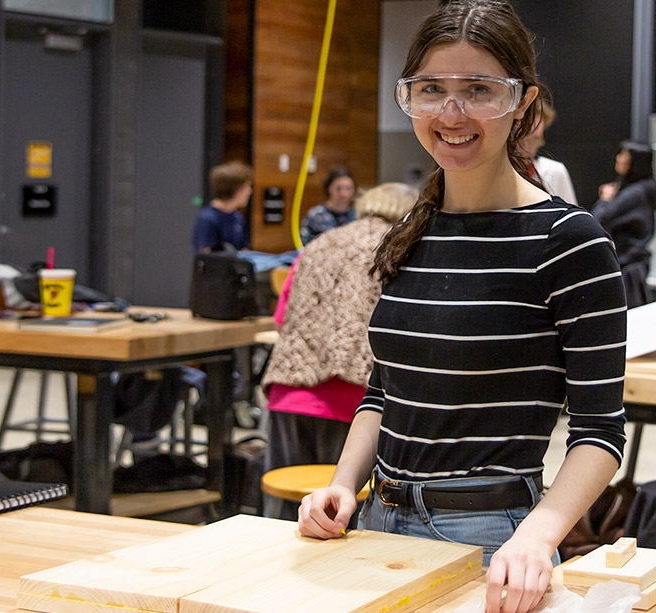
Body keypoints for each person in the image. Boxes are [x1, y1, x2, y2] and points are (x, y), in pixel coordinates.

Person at [297, 3, 628, 613]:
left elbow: (600, 431)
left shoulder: (568, 240)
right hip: (374, 522)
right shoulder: (411, 230)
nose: (451, 114)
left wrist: (537, 537)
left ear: (522, 102)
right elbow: (385, 389)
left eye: (478, 90)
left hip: (492, 537)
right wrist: (343, 483)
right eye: (431, 91)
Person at [262, 183, 420, 520]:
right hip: (359, 403)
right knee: (343, 522)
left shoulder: (319, 244)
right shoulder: (401, 248)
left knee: (287, 523)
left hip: (288, 394)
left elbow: (281, 319)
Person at [592, 141, 656, 307]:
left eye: (623, 155)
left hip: (626, 269)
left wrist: (604, 200)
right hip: (633, 266)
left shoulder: (634, 194)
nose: (618, 159)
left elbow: (597, 221)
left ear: (635, 162)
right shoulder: (642, 190)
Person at [517, 98, 577, 205]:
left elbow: (572, 217)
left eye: (536, 139)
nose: (528, 148)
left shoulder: (554, 171)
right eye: (524, 140)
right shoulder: (495, 172)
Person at [194, 161, 253, 253]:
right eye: (247, 187)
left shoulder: (238, 217)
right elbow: (206, 256)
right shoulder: (207, 219)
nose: (250, 191)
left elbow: (244, 251)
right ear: (236, 190)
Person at [299, 167, 359, 245]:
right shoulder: (316, 216)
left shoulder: (357, 216)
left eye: (348, 188)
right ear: (329, 189)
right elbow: (303, 245)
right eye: (338, 188)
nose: (344, 194)